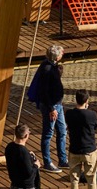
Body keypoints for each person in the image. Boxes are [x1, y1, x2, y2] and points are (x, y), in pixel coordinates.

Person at [29, 44, 68, 172]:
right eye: (61, 53)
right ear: (56, 56)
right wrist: (51, 109)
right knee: (48, 133)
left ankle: (63, 160)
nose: (63, 54)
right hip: (51, 106)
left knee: (62, 130)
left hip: (58, 104)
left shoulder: (53, 66)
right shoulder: (47, 69)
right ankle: (47, 162)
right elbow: (44, 91)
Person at [64, 89, 97, 189]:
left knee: (74, 179)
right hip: (89, 150)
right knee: (91, 178)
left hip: (75, 150)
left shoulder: (69, 114)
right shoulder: (92, 115)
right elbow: (96, 126)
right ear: (87, 101)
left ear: (76, 99)